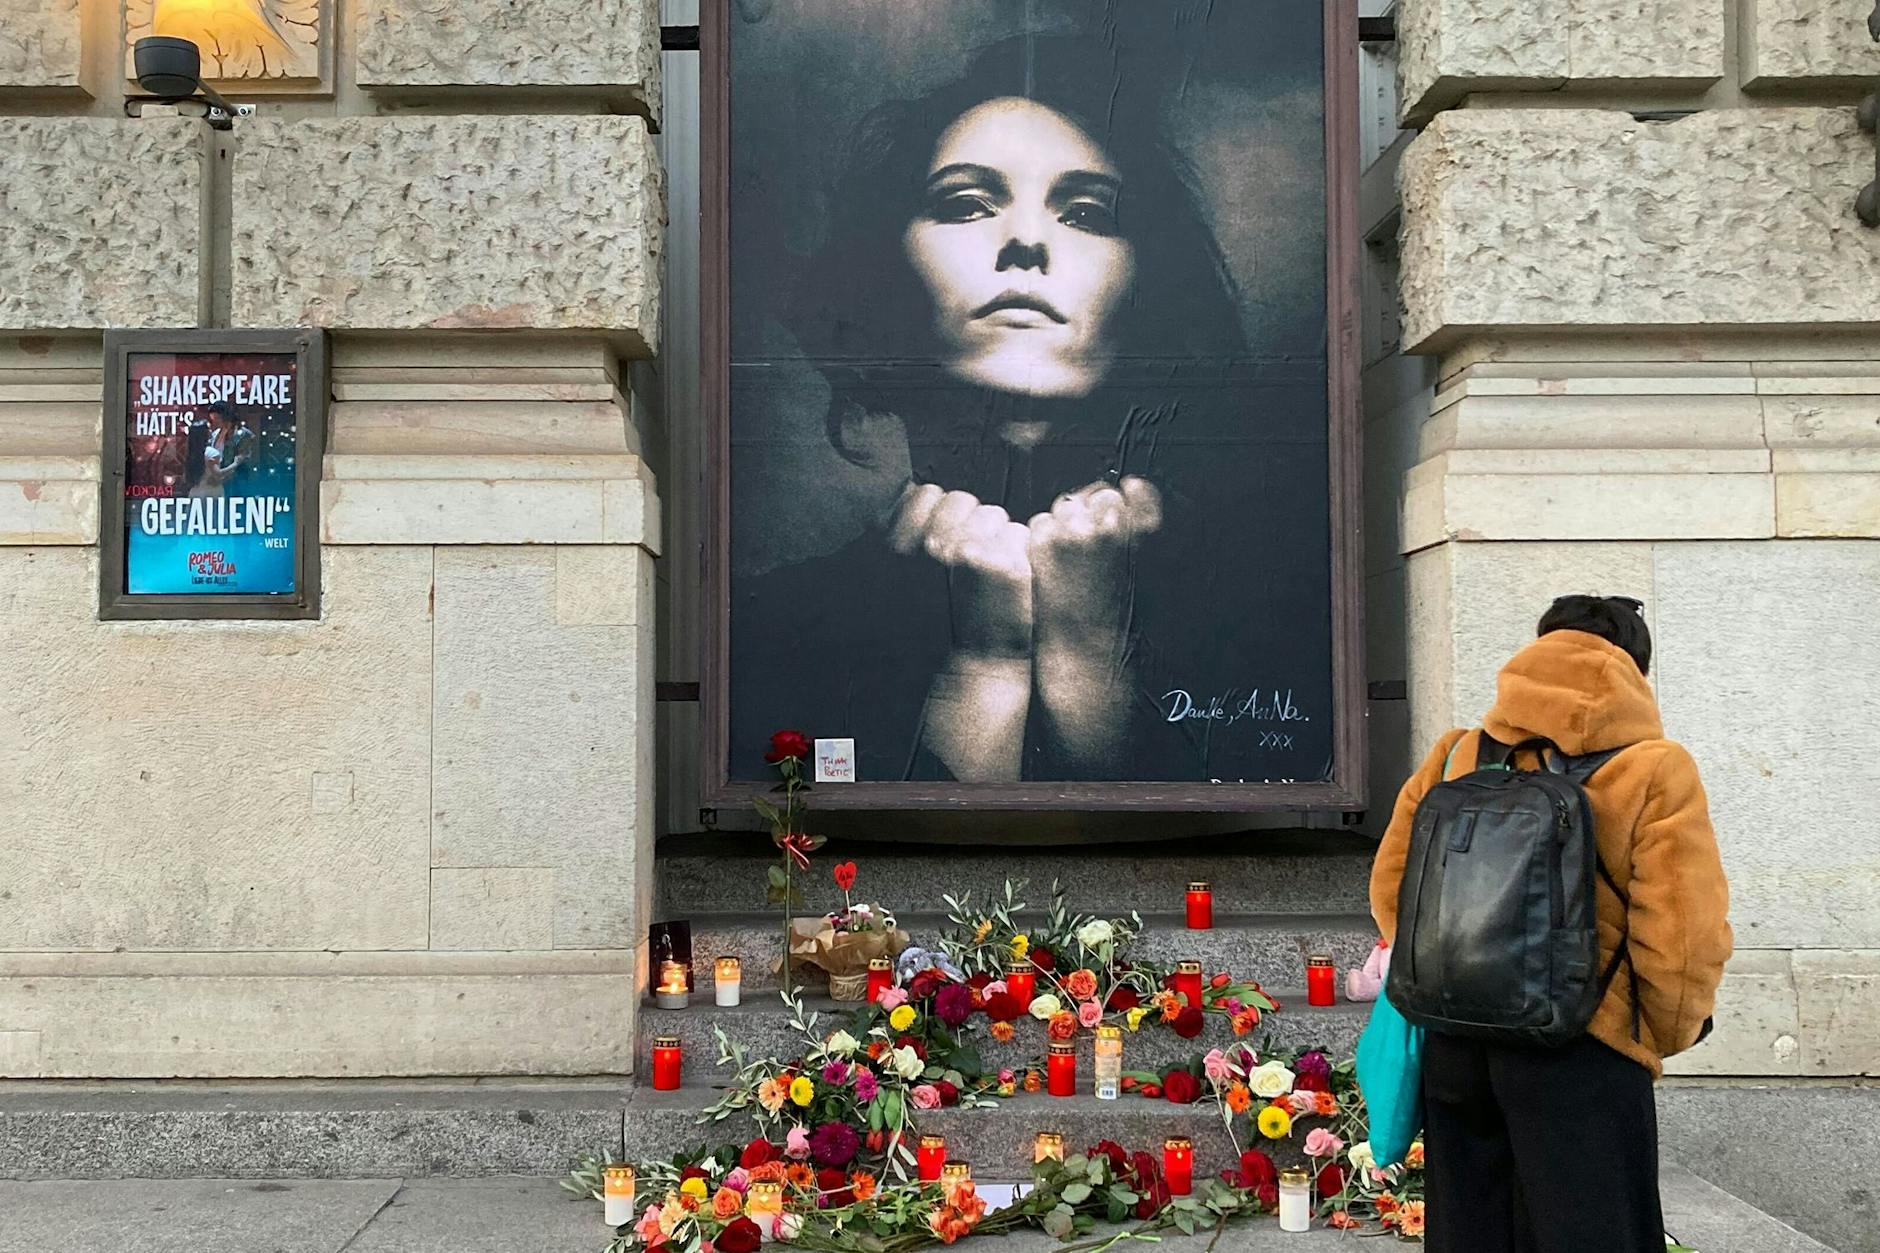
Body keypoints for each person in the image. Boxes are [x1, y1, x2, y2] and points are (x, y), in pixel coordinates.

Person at [732, 33, 1333, 784]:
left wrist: (1088, 660)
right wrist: (982, 671)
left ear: (1148, 285)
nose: (1024, 240)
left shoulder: (1281, 612)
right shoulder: (769, 629)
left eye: (1083, 213)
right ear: (884, 276)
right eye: (965, 203)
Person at [1368, 595, 1733, 1253]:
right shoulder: (1653, 769)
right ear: (1634, 670)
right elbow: (1683, 940)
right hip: (1582, 1050)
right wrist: (1650, 1032)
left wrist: (1460, 973)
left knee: (1471, 1234)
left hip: (1459, 1042)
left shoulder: (1458, 754)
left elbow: (1394, 887)